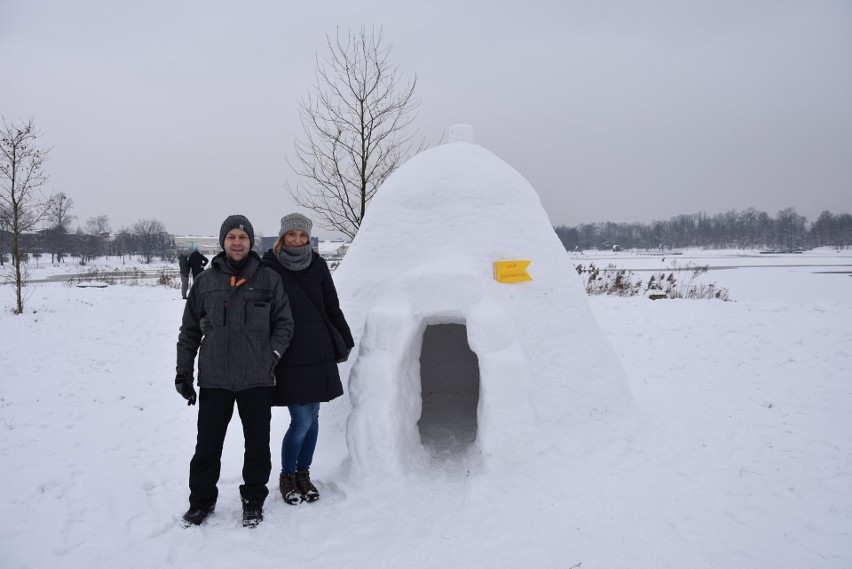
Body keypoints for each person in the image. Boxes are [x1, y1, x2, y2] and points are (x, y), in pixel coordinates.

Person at [175, 215, 294, 528]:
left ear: (251, 242)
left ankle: (253, 499)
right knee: (207, 446)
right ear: (223, 242)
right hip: (215, 378)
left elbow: (284, 323)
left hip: (256, 377)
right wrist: (183, 374)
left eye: (243, 237)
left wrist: (272, 354)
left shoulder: (268, 279)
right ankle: (201, 502)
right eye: (232, 237)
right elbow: (188, 331)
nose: (237, 242)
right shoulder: (206, 281)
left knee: (257, 445)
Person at [261, 213, 353, 505]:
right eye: (292, 235)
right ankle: (287, 475)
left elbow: (331, 305)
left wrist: (343, 338)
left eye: (302, 235)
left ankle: (303, 474)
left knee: (313, 417)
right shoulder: (269, 267)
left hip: (318, 348)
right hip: (288, 350)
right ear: (282, 237)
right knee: (300, 419)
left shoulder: (318, 264)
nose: (297, 240)